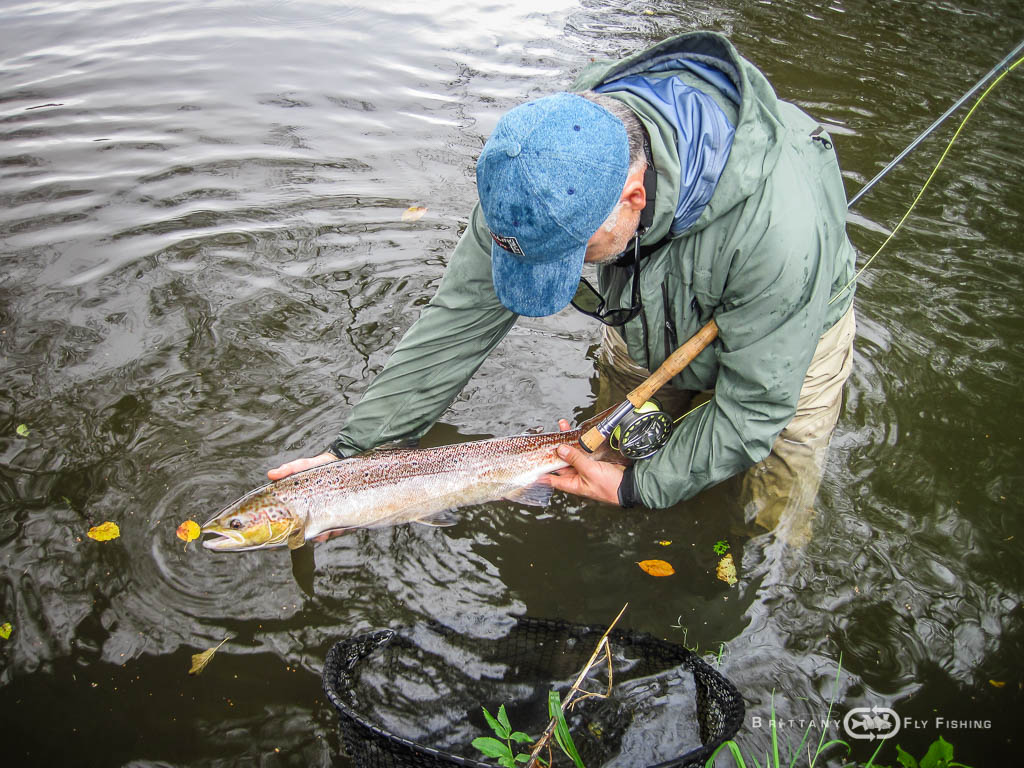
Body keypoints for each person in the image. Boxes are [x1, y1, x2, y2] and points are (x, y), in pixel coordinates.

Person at [269, 31, 857, 536]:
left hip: (791, 335)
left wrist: (639, 488)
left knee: (770, 499)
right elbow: (459, 320)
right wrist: (350, 466)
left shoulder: (782, 236)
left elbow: (757, 404)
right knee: (604, 450)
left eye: (576, 254)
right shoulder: (533, 173)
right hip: (644, 308)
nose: (566, 272)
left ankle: (755, 558)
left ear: (633, 197)